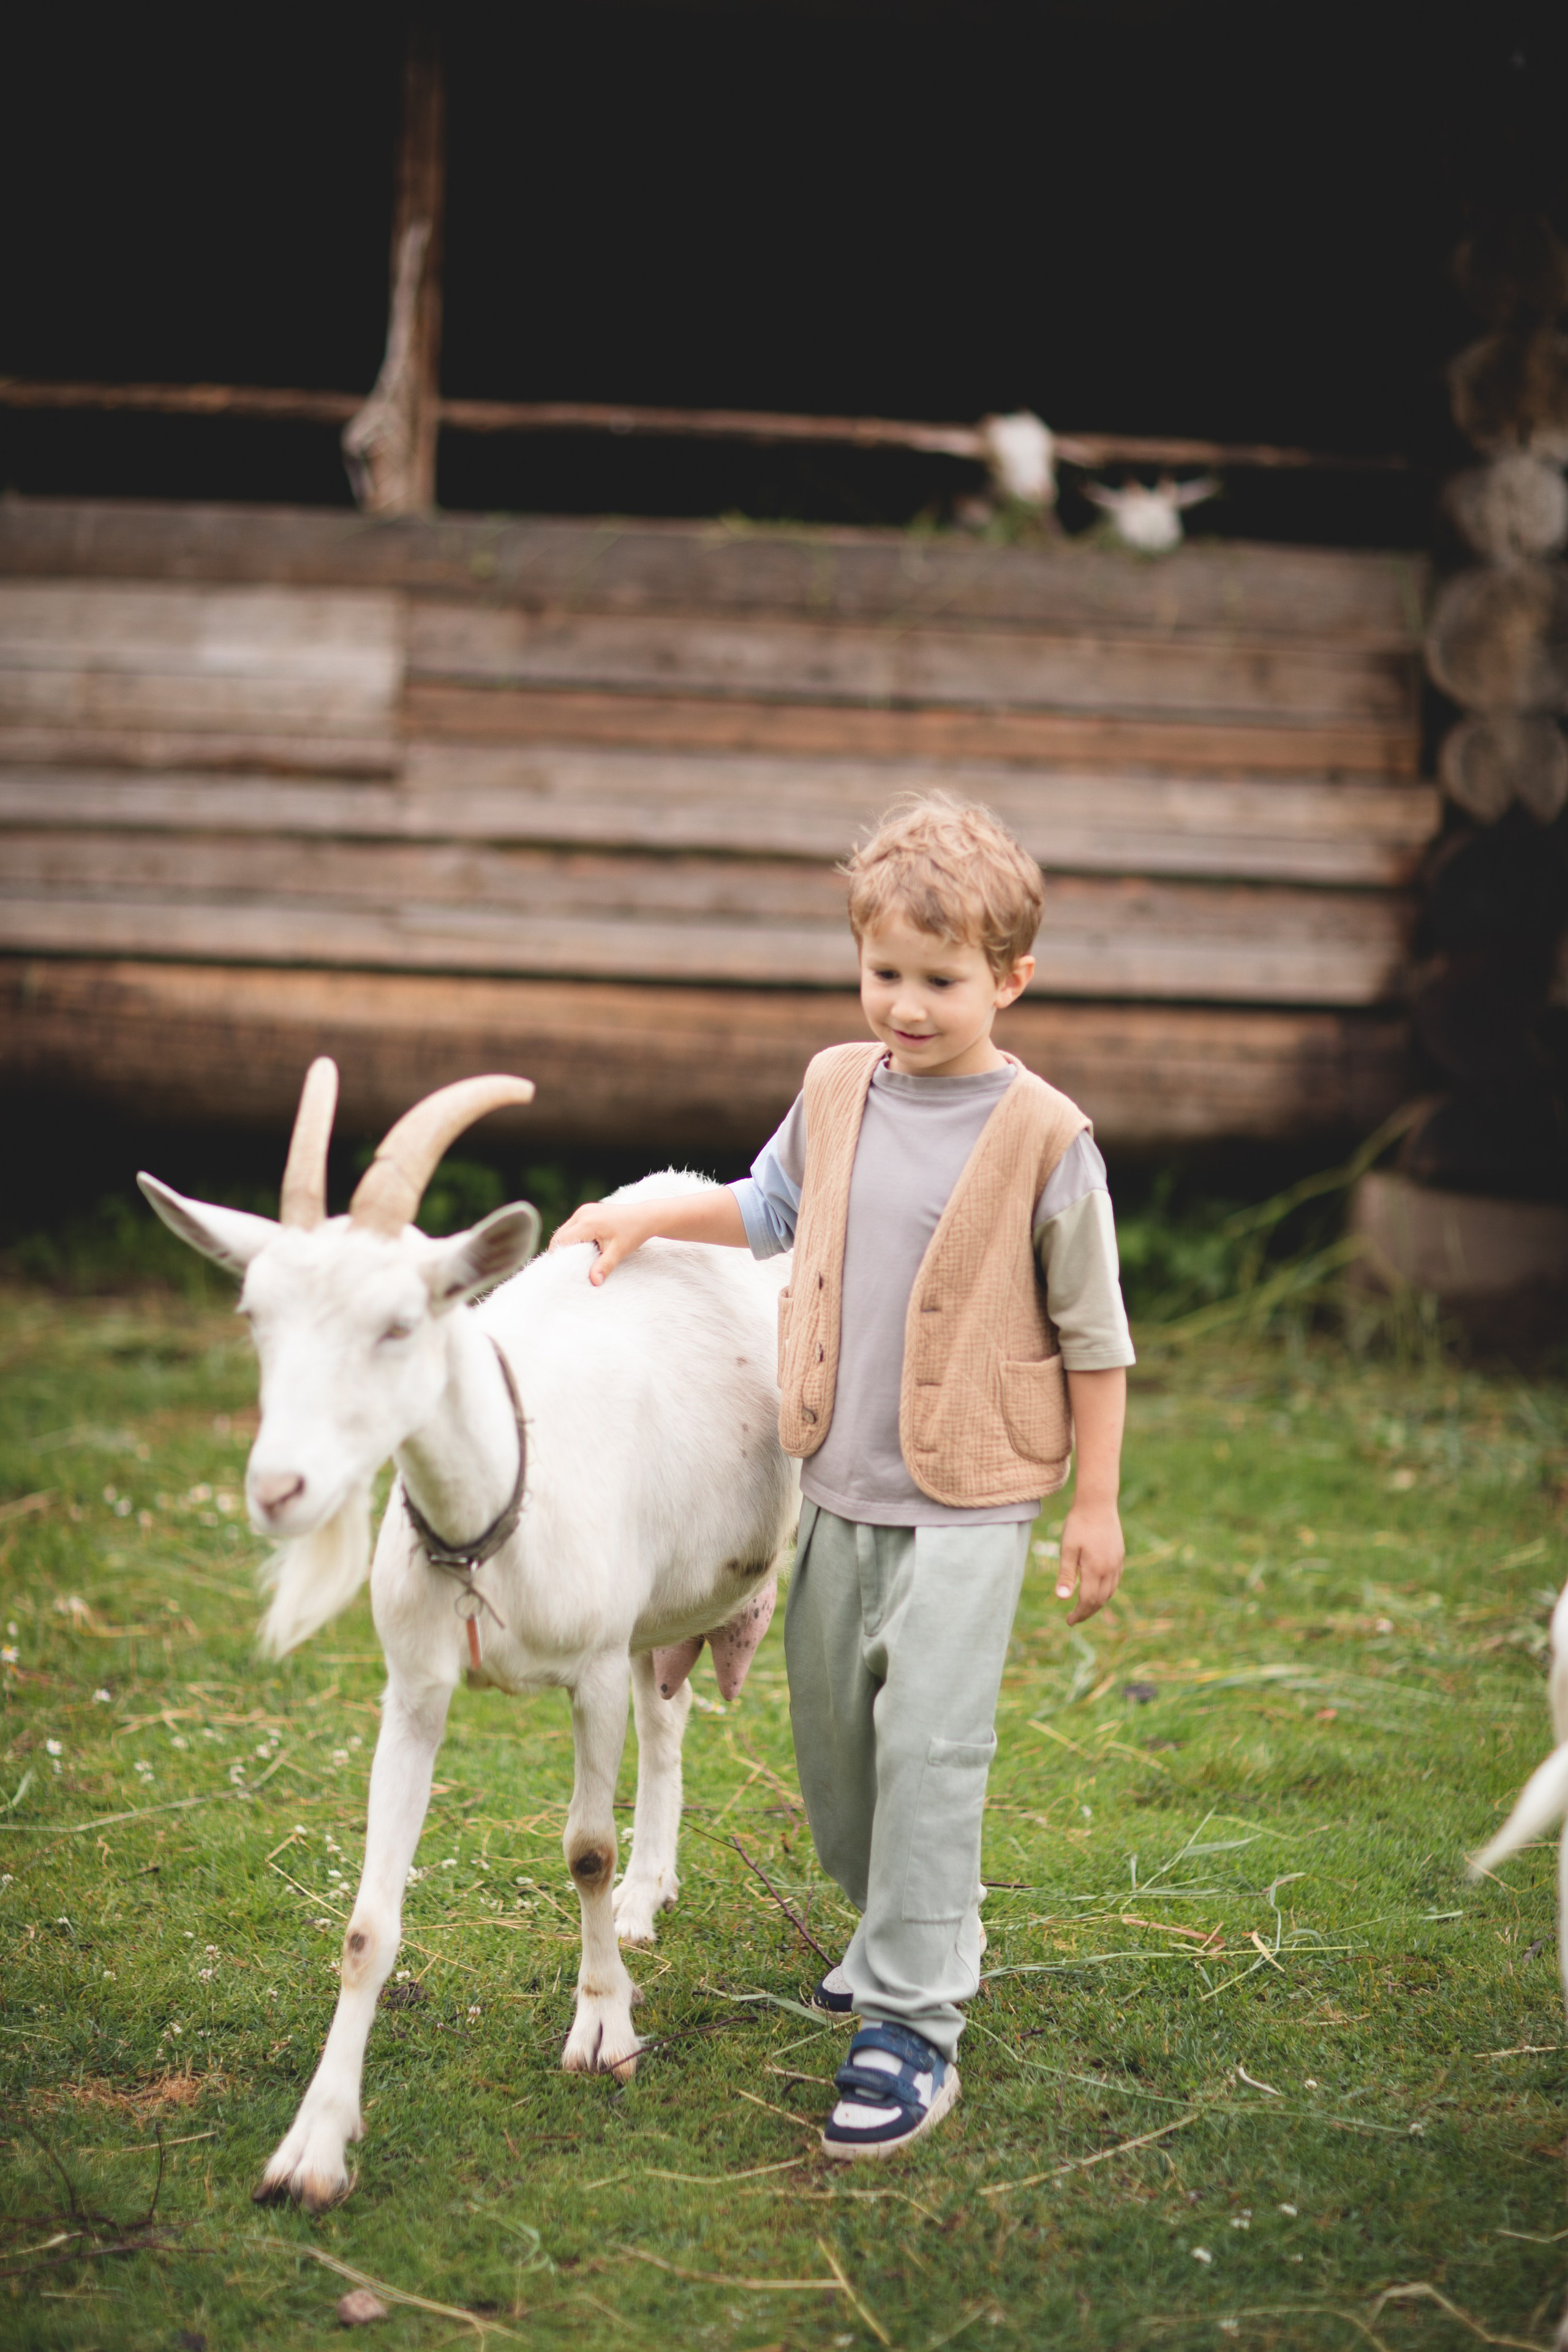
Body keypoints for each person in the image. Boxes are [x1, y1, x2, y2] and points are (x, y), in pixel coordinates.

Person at [550, 794, 1133, 2158]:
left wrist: (1095, 1503)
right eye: (884, 974)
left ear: (1010, 979)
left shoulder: (1048, 1140)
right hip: (839, 1487)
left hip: (972, 1502)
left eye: (942, 981)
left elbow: (1097, 1337)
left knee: (930, 1747)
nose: (907, 1007)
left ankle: (913, 2024)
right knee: (838, 1756)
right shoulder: (835, 1090)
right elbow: (769, 1209)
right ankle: (906, 1921)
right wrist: (646, 1212)